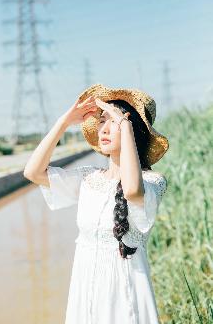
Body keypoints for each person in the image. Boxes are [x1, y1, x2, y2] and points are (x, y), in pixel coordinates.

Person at [23, 82, 170, 324]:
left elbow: (132, 190)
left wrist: (124, 125)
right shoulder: (88, 178)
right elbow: (33, 172)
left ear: (133, 130)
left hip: (124, 292)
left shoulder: (153, 180)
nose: (104, 128)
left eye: (113, 121)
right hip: (85, 289)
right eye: (102, 120)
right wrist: (63, 123)